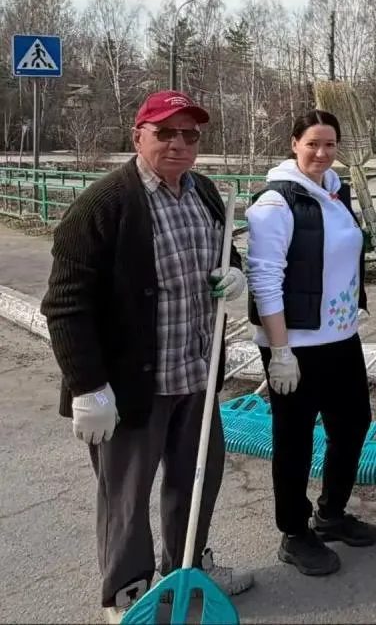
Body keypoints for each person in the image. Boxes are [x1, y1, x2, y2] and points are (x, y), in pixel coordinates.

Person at [40, 90, 254, 623]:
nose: (179, 144)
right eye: (165, 132)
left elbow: (223, 253)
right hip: (131, 386)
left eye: (190, 134)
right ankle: (126, 592)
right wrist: (88, 386)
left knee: (196, 481)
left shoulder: (205, 193)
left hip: (197, 372)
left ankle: (187, 569)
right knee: (126, 498)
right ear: (138, 136)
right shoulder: (104, 205)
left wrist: (233, 274)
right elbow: (65, 304)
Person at [244, 110, 376, 577]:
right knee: (295, 438)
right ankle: (293, 531)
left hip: (340, 335)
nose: (322, 153)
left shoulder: (334, 192)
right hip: (296, 343)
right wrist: (280, 351)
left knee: (353, 424)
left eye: (330, 144)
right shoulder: (275, 203)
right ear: (294, 144)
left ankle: (331, 513)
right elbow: (265, 279)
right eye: (312, 144)